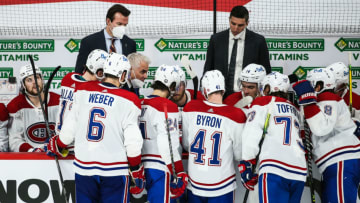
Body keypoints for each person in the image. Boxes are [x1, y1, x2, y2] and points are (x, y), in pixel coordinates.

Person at [46, 53, 145, 202]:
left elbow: (70, 125)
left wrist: (59, 144)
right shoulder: (129, 99)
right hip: (114, 170)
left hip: (84, 167)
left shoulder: (83, 90)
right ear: (122, 74)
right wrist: (136, 168)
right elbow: (132, 141)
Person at [292, 68, 360, 203]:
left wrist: (308, 101)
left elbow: (321, 128)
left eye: (311, 86)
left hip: (342, 159)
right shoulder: (317, 101)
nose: (308, 90)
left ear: (319, 85)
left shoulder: (328, 98)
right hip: (336, 162)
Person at [240, 72, 306, 203]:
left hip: (275, 169)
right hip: (299, 171)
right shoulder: (296, 109)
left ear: (268, 88)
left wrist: (246, 163)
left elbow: (251, 134)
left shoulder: (263, 101)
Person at [181, 70, 246, 202]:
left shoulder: (190, 108)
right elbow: (239, 155)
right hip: (222, 184)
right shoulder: (235, 115)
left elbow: (187, 145)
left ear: (204, 91)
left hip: (195, 183)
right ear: (223, 90)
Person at [139, 65, 188, 202]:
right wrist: (179, 171)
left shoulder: (141, 102)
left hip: (143, 166)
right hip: (161, 167)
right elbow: (168, 145)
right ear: (171, 85)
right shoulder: (167, 106)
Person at [203, 5, 271, 99]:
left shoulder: (258, 41)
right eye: (233, 23)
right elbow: (208, 69)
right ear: (229, 20)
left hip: (246, 97)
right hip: (220, 96)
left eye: (240, 25)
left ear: (247, 23)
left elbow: (266, 71)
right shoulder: (216, 39)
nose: (235, 28)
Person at [56, 49, 108, 152]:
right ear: (98, 70)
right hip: (77, 144)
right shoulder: (92, 89)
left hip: (59, 139)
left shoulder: (68, 78)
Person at [7, 65, 59, 152]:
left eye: (37, 78)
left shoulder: (58, 101)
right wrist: (31, 150)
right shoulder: (16, 106)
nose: (34, 82)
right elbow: (14, 141)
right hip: (29, 158)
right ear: (23, 85)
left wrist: (59, 147)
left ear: (42, 80)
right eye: (29, 80)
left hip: (55, 155)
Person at [75, 4, 136, 73]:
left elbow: (132, 72)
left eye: (125, 25)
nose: (122, 28)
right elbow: (79, 71)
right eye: (119, 24)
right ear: (108, 21)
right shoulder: (89, 42)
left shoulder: (130, 43)